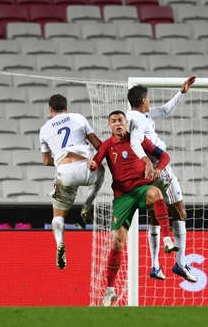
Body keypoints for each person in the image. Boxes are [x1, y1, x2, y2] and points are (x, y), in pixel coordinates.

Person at [87, 110, 179, 307]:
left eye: (120, 120)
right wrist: (92, 164)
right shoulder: (107, 145)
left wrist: (158, 169)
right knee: (117, 242)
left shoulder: (138, 139)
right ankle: (110, 290)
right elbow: (97, 159)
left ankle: (167, 238)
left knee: (156, 193)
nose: (118, 124)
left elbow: (164, 157)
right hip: (122, 197)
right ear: (109, 125)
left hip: (141, 189)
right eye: (113, 121)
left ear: (126, 122)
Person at [126, 76, 197, 283]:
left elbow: (165, 110)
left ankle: (155, 265)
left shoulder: (138, 115)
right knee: (181, 214)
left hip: (149, 173)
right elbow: (135, 142)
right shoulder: (138, 120)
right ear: (144, 100)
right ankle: (180, 263)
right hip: (160, 169)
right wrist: (149, 163)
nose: (150, 101)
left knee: (156, 215)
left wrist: (181, 92)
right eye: (148, 98)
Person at [39, 94, 105, 270]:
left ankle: (60, 243)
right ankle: (87, 204)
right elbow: (98, 145)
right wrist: (96, 160)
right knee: (102, 171)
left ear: (50, 110)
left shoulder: (44, 128)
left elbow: (46, 161)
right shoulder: (78, 118)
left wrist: (61, 163)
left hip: (64, 173)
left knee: (58, 217)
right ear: (66, 108)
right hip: (85, 167)